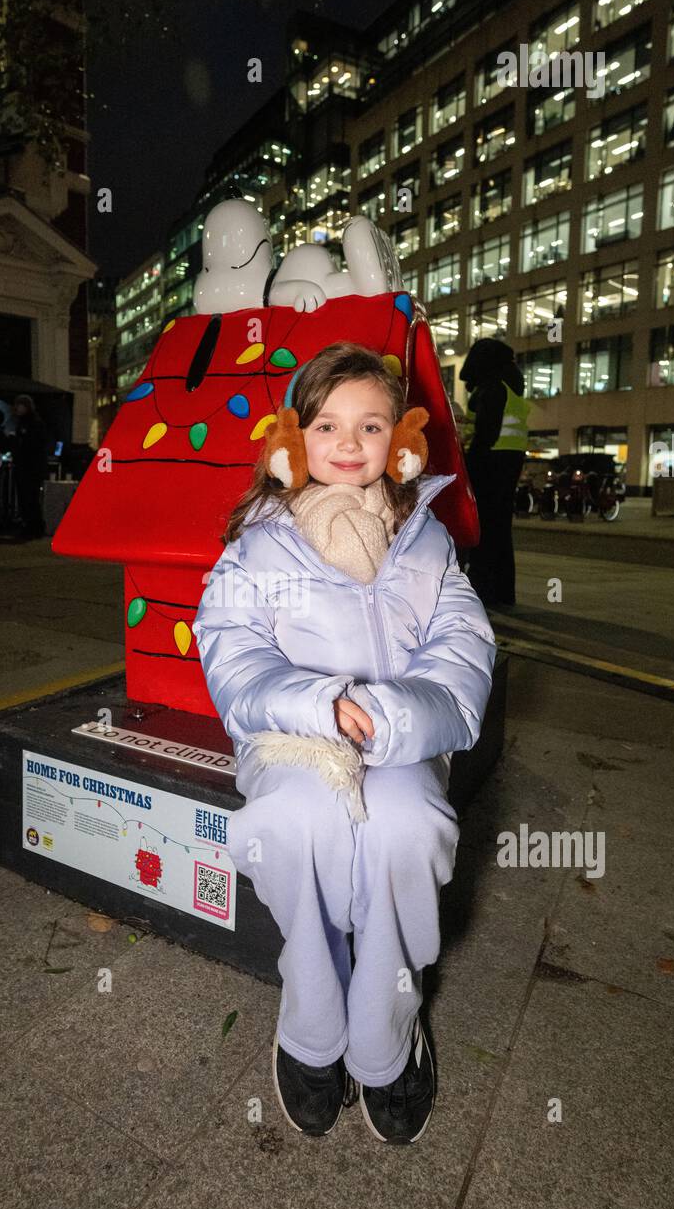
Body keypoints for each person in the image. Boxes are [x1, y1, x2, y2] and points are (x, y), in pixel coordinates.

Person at [192, 342, 496, 1144]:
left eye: (370, 424)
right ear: (293, 437)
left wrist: (394, 714)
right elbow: (230, 647)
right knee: (295, 826)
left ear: (401, 439)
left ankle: (387, 1035)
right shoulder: (257, 543)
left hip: (401, 738)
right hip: (292, 740)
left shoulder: (426, 540)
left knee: (405, 829)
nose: (350, 443)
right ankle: (312, 1026)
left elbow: (462, 647)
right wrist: (315, 705)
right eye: (327, 423)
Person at [459, 337, 532, 608]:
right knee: (500, 529)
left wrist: (468, 461)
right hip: (509, 462)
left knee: (484, 528)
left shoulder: (492, 388)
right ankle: (502, 592)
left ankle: (483, 589)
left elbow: (485, 434)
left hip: (488, 463)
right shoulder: (511, 386)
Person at [11, 394, 48, 538]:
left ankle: (33, 526)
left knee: (29, 498)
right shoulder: (27, 422)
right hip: (28, 466)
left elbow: (33, 444)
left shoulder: (32, 423)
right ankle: (32, 525)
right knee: (28, 498)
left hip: (29, 467)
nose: (17, 408)